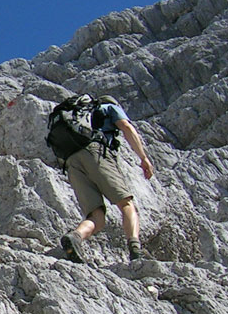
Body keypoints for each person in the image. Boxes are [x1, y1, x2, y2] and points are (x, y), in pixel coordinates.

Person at [56, 96, 155, 263]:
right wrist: (143, 158)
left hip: (71, 161)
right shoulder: (109, 107)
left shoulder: (75, 116)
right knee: (126, 204)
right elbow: (126, 127)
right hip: (95, 153)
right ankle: (135, 249)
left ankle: (75, 236)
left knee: (97, 217)